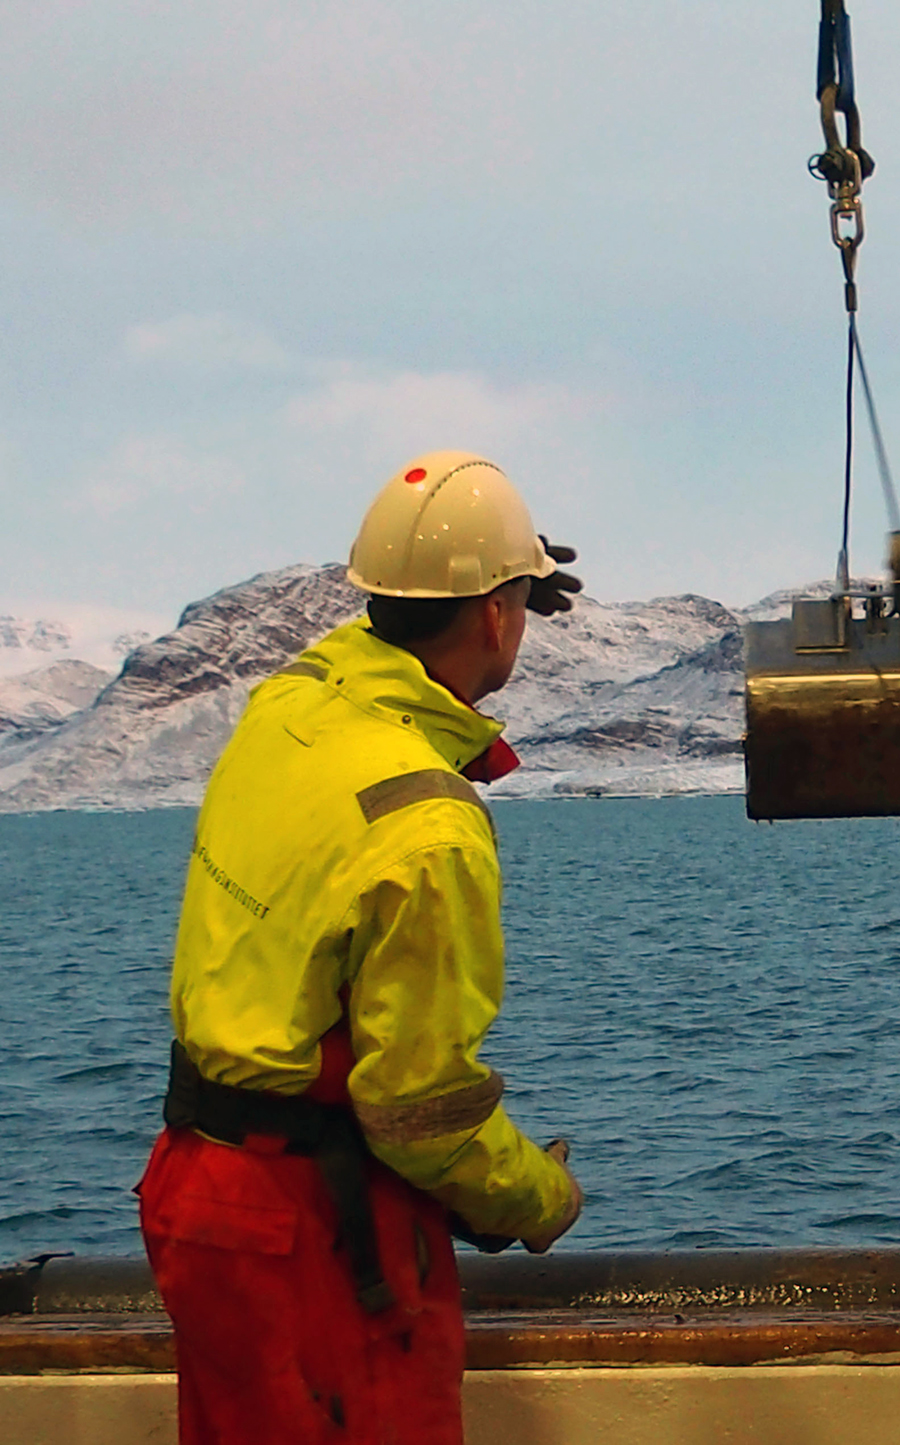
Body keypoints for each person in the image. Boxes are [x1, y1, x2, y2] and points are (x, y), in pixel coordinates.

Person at [137, 450, 588, 1445]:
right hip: (316, 1236)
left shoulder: (288, 705)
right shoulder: (426, 819)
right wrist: (536, 1193)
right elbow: (419, 1112)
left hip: (195, 1191)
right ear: (496, 619)